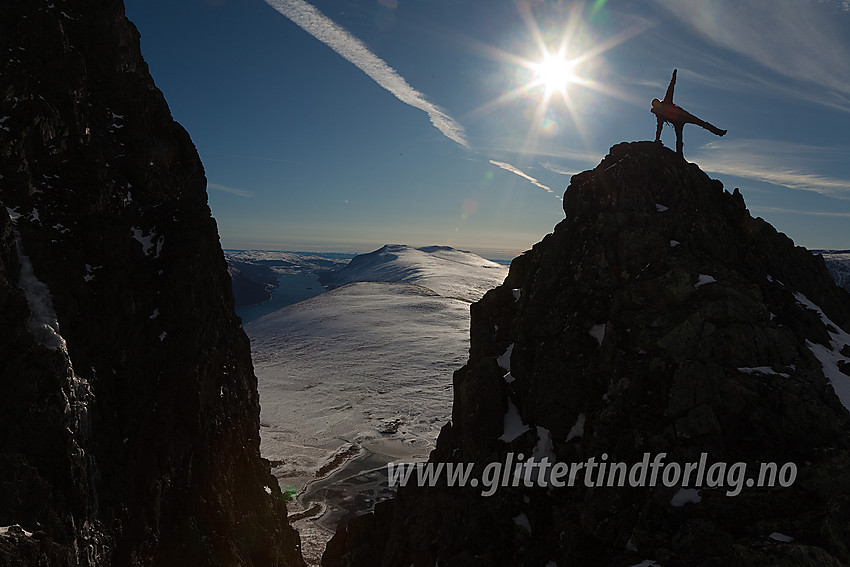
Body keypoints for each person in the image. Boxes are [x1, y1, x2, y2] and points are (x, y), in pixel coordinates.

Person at [651, 69, 726, 157]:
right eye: (655, 105)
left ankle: (718, 132)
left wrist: (673, 78)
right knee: (679, 138)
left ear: (659, 102)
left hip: (684, 115)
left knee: (700, 122)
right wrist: (657, 139)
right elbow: (659, 127)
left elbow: (671, 88)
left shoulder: (667, 101)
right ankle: (680, 155)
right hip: (677, 123)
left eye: (657, 102)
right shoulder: (660, 115)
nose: (658, 105)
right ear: (655, 107)